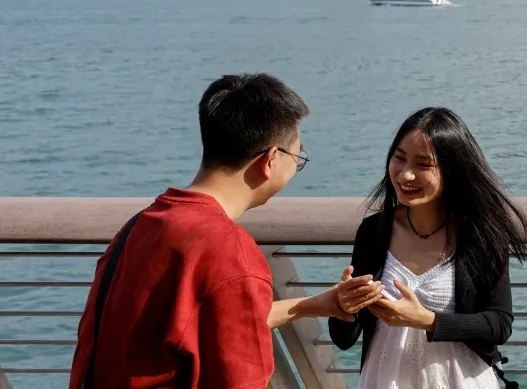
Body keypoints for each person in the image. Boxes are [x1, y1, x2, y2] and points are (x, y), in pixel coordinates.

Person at [69, 73, 366, 387]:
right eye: (297, 156)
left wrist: (313, 304)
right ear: (271, 160)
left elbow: (195, 321)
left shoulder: (142, 225)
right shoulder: (229, 251)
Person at [329, 107, 527, 389]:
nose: (405, 175)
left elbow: (499, 324)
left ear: (452, 171)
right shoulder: (373, 232)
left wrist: (427, 320)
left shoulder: (480, 235)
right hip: (383, 380)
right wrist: (345, 307)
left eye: (423, 165)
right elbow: (343, 338)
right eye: (399, 159)